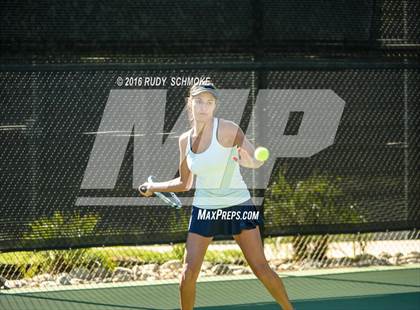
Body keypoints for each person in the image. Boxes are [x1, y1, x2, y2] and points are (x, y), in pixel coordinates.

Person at [139, 82, 294, 310]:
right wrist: (154, 187)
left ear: (215, 106)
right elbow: (184, 183)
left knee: (260, 267)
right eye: (199, 101)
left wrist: (247, 161)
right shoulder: (184, 140)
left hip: (238, 205)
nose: (204, 107)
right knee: (187, 274)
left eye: (209, 102)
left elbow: (256, 159)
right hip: (205, 209)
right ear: (189, 103)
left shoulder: (228, 129)